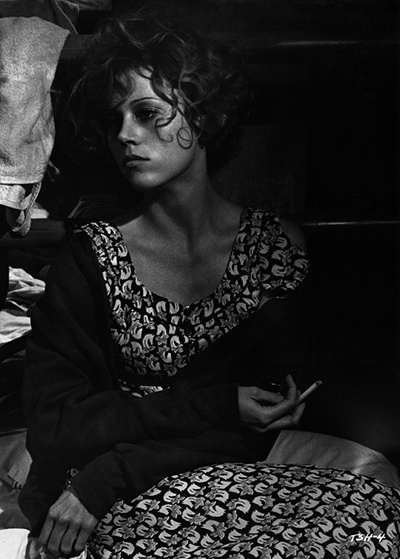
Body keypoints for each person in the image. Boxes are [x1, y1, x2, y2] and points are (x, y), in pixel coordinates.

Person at [18, 7, 395, 559]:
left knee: (373, 523)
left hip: (223, 471)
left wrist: (132, 463)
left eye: (147, 113)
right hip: (109, 490)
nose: (125, 135)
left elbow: (268, 414)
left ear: (201, 113)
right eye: (114, 119)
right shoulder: (93, 254)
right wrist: (210, 410)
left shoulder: (273, 248)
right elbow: (55, 423)